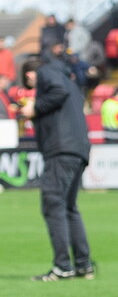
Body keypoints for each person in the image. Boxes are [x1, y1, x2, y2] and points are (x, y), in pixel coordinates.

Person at [20, 56, 95, 281]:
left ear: (29, 75)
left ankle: (63, 266)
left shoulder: (47, 72)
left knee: (53, 205)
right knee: (69, 208)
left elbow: (56, 92)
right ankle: (83, 265)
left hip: (61, 150)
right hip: (78, 149)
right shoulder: (68, 80)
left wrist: (35, 108)